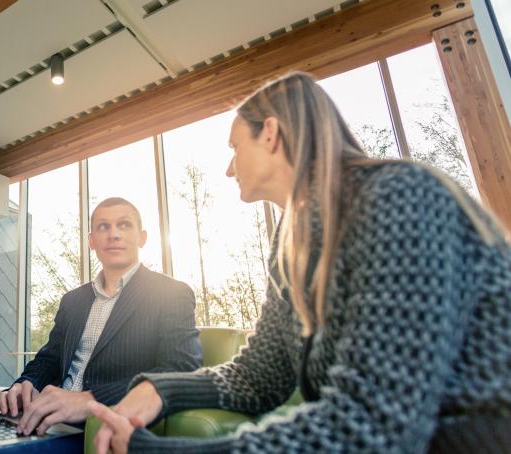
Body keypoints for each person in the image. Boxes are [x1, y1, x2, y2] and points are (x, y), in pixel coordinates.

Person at [90, 72, 511, 453]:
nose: (229, 168)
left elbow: (373, 424)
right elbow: (260, 377)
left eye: (235, 147)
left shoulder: (400, 197)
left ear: (270, 134)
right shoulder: (291, 239)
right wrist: (162, 391)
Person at [0, 197, 203, 453]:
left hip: (87, 430)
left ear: (142, 236)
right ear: (91, 240)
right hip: (34, 419)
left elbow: (182, 370)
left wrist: (89, 399)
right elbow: (48, 359)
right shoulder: (73, 301)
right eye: (102, 226)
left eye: (124, 225)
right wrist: (25, 383)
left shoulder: (170, 294)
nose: (113, 233)